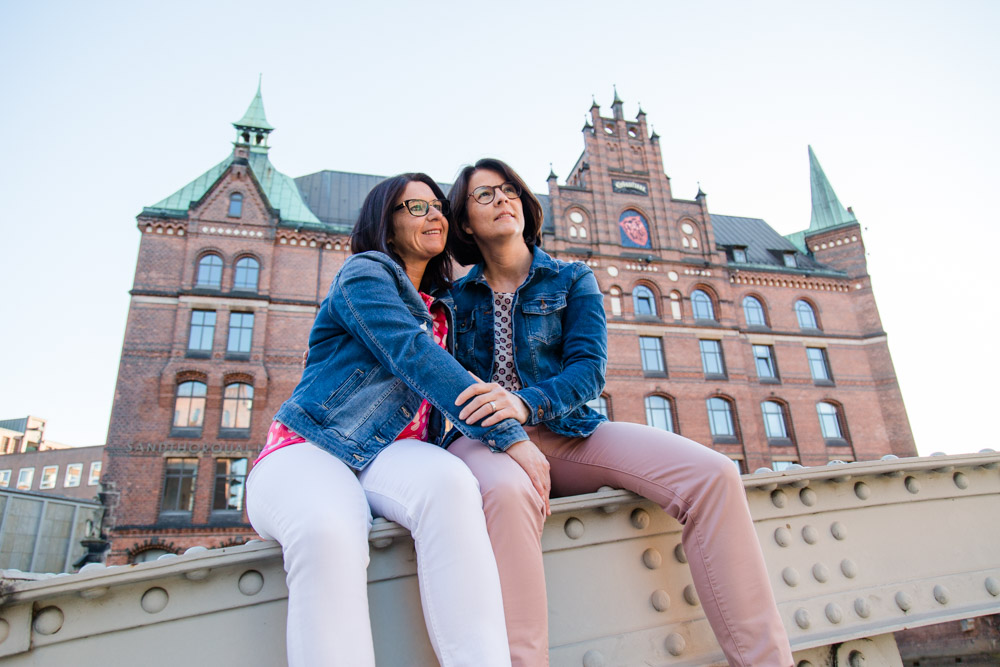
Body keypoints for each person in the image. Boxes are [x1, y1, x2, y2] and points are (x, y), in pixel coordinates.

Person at [443, 158, 794, 667]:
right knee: (509, 493)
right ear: (465, 221)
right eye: (484, 195)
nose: (502, 199)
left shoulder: (572, 279)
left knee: (713, 475)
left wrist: (525, 403)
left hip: (566, 431)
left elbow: (589, 372)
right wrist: (505, 428)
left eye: (509, 190)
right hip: (485, 442)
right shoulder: (451, 299)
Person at [246, 173, 530, 667]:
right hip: (312, 445)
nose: (434, 215)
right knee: (328, 529)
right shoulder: (364, 273)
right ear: (387, 224)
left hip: (393, 453)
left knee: (451, 484)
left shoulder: (446, 306)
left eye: (438, 206)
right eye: (416, 207)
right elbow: (411, 352)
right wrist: (512, 438)